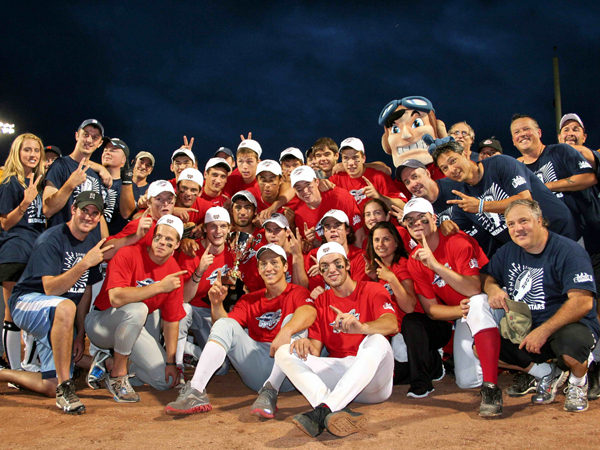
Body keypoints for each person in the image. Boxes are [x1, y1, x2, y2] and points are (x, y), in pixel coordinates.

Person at [165, 244, 317, 416]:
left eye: (274, 263)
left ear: (285, 267)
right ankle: (196, 390)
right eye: (263, 264)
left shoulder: (297, 292)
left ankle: (271, 390)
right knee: (224, 324)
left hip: (288, 373)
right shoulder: (250, 299)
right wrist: (216, 304)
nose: (269, 268)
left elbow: (309, 311)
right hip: (256, 365)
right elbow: (224, 328)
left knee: (294, 319)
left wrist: (286, 331)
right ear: (259, 269)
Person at [481, 199, 599, 413]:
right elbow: (488, 277)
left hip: (569, 325)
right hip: (528, 327)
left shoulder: (569, 251)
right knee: (482, 348)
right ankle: (547, 373)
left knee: (571, 349)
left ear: (540, 221)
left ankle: (578, 382)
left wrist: (543, 331)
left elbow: (582, 302)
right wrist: (493, 289)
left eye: (523, 221)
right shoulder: (508, 251)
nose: (518, 229)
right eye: (511, 224)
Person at [0, 191, 110, 414]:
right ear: (73, 210)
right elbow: (51, 289)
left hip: (57, 313)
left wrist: (79, 335)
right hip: (25, 303)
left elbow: (85, 291)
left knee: (47, 386)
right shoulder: (51, 238)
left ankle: (6, 375)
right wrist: (83, 264)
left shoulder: (91, 241)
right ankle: (66, 387)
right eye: (84, 211)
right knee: (65, 305)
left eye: (94, 213)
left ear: (99, 217)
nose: (88, 217)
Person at [275, 242, 398, 438]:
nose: (331, 270)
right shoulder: (322, 301)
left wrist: (363, 327)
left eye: (337, 263)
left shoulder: (372, 289)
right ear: (321, 272)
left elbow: (392, 324)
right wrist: (305, 345)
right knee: (284, 352)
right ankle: (330, 408)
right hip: (341, 377)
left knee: (378, 340)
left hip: (373, 381)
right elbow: (315, 349)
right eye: (325, 266)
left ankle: (324, 409)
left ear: (347, 265)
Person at [400, 198, 500, 416]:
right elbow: (432, 310)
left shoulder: (456, 241)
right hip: (464, 314)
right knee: (466, 381)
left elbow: (474, 288)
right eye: (410, 221)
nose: (417, 223)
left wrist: (435, 265)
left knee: (476, 302)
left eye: (422, 218)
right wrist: (457, 311)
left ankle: (492, 389)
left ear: (434, 218)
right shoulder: (414, 259)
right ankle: (539, 370)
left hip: (493, 306)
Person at [84, 215, 186, 401]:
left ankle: (107, 362)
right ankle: (118, 376)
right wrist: (158, 287)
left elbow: (171, 321)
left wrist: (171, 362)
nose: (162, 242)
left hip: (133, 329)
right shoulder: (128, 253)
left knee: (163, 381)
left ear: (177, 245)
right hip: (102, 325)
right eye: (159, 236)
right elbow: (115, 298)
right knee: (138, 309)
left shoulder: (174, 272)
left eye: (169, 239)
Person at [431, 140, 579, 247]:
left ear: (465, 153)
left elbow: (525, 201)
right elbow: (455, 228)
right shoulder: (462, 196)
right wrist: (446, 225)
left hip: (560, 234)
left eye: (453, 161)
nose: (451, 169)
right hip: (530, 248)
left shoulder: (501, 163)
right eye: (444, 168)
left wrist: (482, 205)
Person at [0, 133, 46, 369]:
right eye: (27, 150)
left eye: (36, 150)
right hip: (14, 253)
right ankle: (15, 371)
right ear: (17, 153)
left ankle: (29, 365)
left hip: (34, 254)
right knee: (13, 312)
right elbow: (5, 223)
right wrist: (25, 202)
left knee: (34, 309)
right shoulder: (10, 183)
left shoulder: (36, 183)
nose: (32, 155)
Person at [176, 207, 234, 361]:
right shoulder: (191, 250)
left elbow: (232, 292)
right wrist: (199, 271)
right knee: (183, 309)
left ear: (229, 229)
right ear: (205, 229)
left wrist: (233, 282)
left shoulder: (233, 253)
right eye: (213, 226)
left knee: (221, 367)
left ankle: (190, 350)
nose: (218, 231)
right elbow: (184, 298)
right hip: (192, 309)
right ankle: (177, 361)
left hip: (212, 312)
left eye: (223, 226)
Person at [365, 222, 418, 382]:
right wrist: (375, 279)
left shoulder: (402, 265)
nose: (380, 244)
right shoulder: (380, 267)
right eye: (376, 240)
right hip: (389, 328)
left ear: (396, 242)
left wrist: (392, 279)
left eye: (386, 239)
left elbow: (409, 307)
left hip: (405, 330)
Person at [42, 119, 107, 229]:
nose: (89, 140)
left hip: (89, 242)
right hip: (63, 240)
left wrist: (105, 242)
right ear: (77, 136)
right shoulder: (60, 165)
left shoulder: (95, 174)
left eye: (95, 137)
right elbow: (48, 210)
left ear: (100, 143)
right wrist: (70, 184)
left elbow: (99, 216)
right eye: (85, 135)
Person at [291, 165, 365, 248]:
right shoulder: (299, 214)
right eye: (299, 189)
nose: (305, 191)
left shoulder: (340, 197)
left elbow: (360, 236)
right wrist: (313, 241)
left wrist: (357, 259)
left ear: (317, 182)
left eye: (308, 185)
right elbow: (320, 248)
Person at [102, 180, 176, 259]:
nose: (165, 203)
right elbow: (104, 251)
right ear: (148, 203)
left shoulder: (172, 226)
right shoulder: (142, 224)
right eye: (159, 199)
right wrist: (136, 236)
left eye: (169, 198)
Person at [329, 137, 405, 211]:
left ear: (363, 159)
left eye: (355, 158)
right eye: (346, 158)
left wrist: (379, 197)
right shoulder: (335, 180)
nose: (351, 163)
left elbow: (404, 206)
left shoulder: (378, 177)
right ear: (341, 160)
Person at [304, 209, 370, 290]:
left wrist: (326, 270)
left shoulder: (361, 256)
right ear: (324, 233)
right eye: (328, 227)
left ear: (347, 230)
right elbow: (304, 288)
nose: (332, 230)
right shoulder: (313, 255)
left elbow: (357, 291)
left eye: (337, 226)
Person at [100, 137, 136, 235]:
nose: (107, 152)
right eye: (105, 150)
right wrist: (99, 168)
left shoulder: (130, 186)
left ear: (124, 159)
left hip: (114, 243)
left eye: (113, 150)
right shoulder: (92, 177)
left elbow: (127, 214)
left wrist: (127, 181)